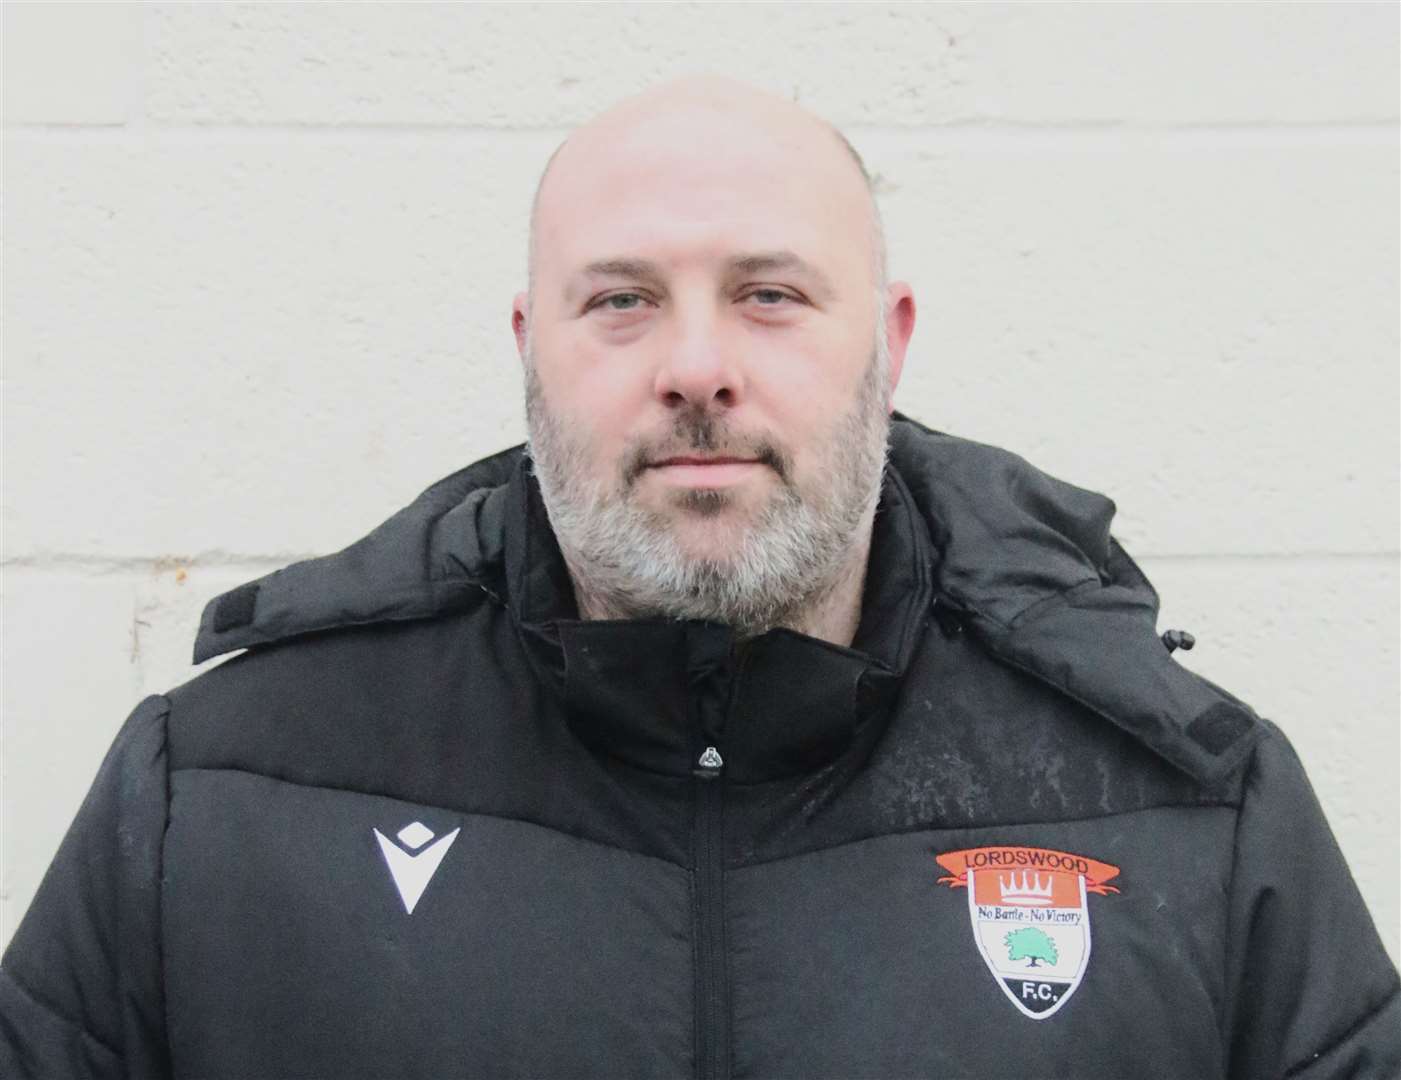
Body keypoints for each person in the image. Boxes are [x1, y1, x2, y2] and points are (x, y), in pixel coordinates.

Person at [2, 74, 1396, 1080]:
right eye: (618, 300)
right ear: (527, 341)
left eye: (769, 295)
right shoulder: (226, 794)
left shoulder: (1182, 809)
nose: (693, 366)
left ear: (889, 341)